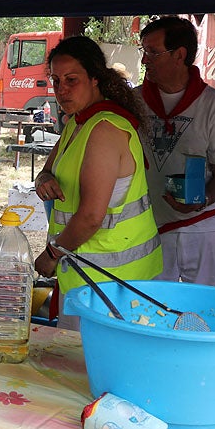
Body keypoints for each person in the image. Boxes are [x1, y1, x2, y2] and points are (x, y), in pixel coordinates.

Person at [33, 36, 162, 327]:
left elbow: (91, 216)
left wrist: (51, 255)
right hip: (90, 274)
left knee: (89, 367)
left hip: (112, 282)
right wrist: (43, 179)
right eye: (55, 80)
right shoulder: (79, 121)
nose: (61, 90)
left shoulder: (104, 129)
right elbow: (48, 167)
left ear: (94, 79)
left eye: (71, 79)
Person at [134, 17, 215, 288]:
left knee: (208, 308)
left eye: (152, 52)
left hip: (204, 224)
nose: (145, 60)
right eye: (143, 51)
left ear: (179, 55)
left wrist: (200, 200)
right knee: (153, 306)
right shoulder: (134, 102)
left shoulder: (211, 104)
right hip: (150, 224)